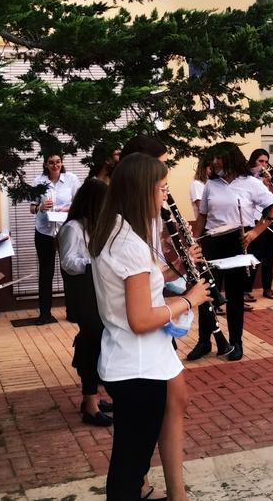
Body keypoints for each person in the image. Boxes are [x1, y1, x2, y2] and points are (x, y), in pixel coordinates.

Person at [88, 153, 210, 501]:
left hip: (131, 361)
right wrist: (191, 299)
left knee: (129, 460)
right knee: (129, 467)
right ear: (142, 192)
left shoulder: (116, 232)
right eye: (161, 189)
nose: (164, 196)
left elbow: (142, 289)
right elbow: (141, 319)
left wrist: (174, 271)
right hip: (138, 368)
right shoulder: (129, 245)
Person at [193, 142, 273, 361]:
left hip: (238, 242)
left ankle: (236, 342)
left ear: (230, 159)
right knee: (206, 295)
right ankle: (204, 341)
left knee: (234, 295)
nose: (214, 162)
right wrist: (194, 242)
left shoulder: (251, 183)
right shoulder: (211, 185)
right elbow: (202, 216)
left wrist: (256, 232)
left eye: (219, 158)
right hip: (212, 242)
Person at [58, 178, 113, 427]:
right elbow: (68, 263)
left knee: (98, 342)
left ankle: (93, 397)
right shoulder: (73, 228)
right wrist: (95, 263)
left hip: (98, 294)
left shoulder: (95, 226)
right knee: (91, 343)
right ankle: (89, 405)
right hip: (83, 296)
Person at [29, 152, 79, 324]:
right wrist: (41, 207)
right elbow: (32, 208)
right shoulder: (39, 181)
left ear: (62, 163)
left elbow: (79, 203)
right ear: (45, 164)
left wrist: (66, 209)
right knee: (46, 272)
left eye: (58, 162)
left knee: (68, 271)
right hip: (44, 230)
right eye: (51, 162)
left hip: (66, 230)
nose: (55, 165)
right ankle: (44, 314)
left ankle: (73, 312)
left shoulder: (71, 179)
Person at [246, 148, 273, 300]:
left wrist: (269, 185)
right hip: (256, 219)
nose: (264, 165)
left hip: (272, 217)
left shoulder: (267, 177)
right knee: (255, 254)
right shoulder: (247, 178)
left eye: (266, 162)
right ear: (253, 161)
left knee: (269, 254)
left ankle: (268, 288)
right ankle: (247, 289)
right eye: (261, 161)